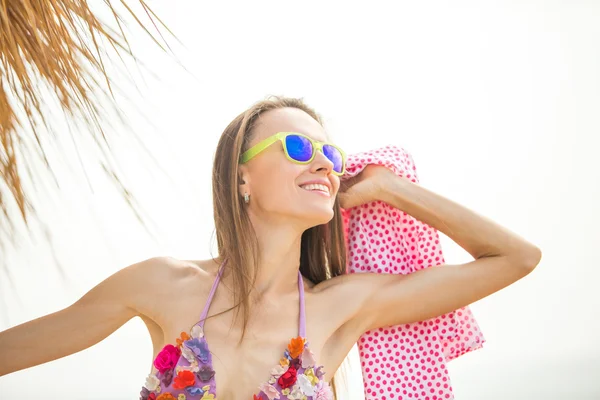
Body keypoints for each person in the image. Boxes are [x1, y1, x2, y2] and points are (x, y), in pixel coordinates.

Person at [0, 96, 542, 400]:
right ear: (243, 180)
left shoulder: (341, 307)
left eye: (332, 152)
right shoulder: (161, 285)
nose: (325, 162)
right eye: (299, 146)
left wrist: (390, 187)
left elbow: (515, 258)